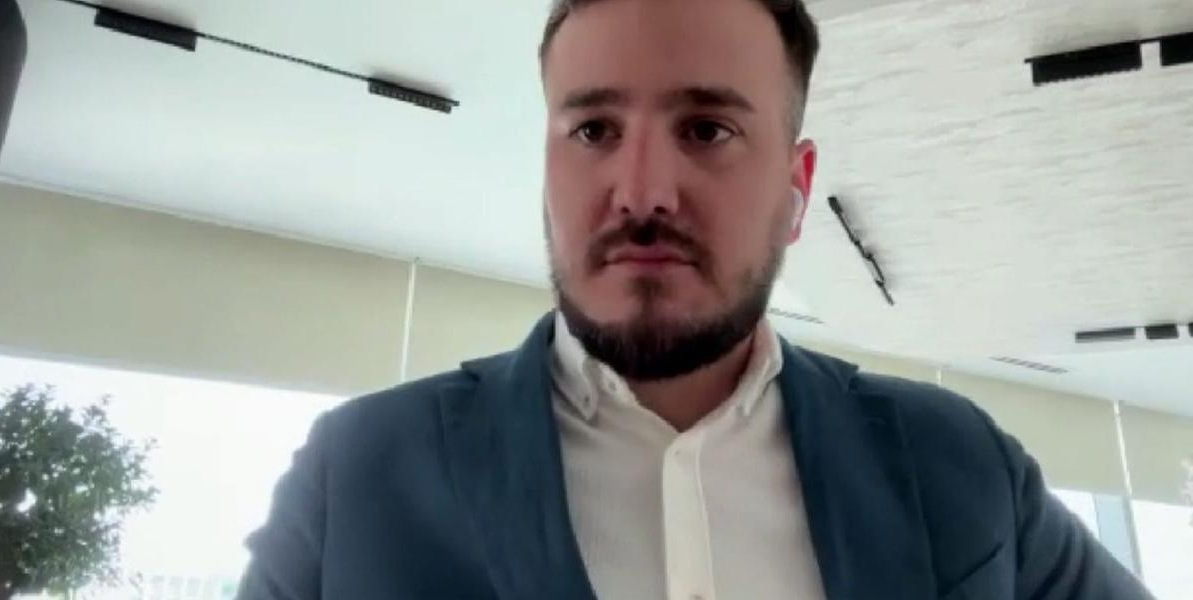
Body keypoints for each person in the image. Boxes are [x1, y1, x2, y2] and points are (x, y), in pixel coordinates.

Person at [237, 0, 1152, 598]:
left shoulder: (959, 464)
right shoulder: (355, 476)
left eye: (707, 129)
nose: (642, 192)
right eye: (593, 129)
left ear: (797, 188)